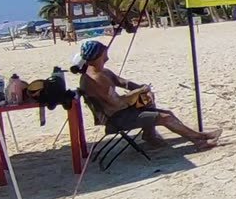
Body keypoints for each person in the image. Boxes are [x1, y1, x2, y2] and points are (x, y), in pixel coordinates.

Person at [76, 40, 220, 149]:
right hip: (117, 118)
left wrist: (144, 90)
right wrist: (139, 91)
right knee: (166, 117)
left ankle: (150, 135)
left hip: (120, 112)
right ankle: (200, 139)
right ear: (100, 54)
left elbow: (124, 82)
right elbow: (118, 103)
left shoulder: (102, 72)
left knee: (149, 101)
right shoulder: (96, 79)